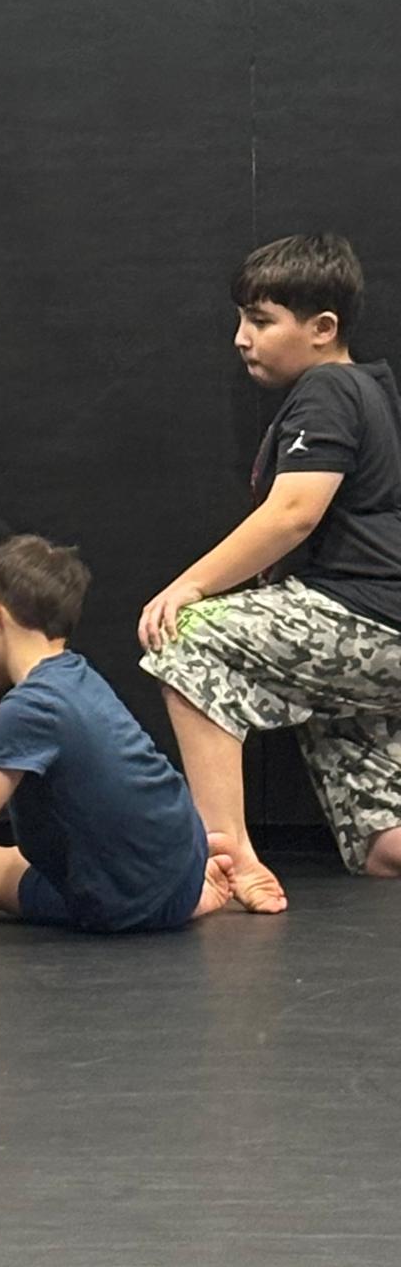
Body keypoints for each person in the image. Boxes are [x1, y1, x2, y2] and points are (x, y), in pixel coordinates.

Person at [140, 233, 401, 910]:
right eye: (241, 319)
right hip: (376, 643)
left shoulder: (328, 389)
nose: (241, 338)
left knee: (189, 633)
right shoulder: (370, 389)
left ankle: (224, 855)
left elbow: (293, 513)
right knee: (384, 845)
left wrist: (190, 583)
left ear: (322, 329)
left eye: (260, 321)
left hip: (364, 618)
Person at [0, 536, 234, 952]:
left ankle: (175, 906)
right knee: (4, 860)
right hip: (181, 861)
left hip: (129, 901)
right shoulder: (76, 676)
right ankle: (188, 895)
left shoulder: (30, 708)